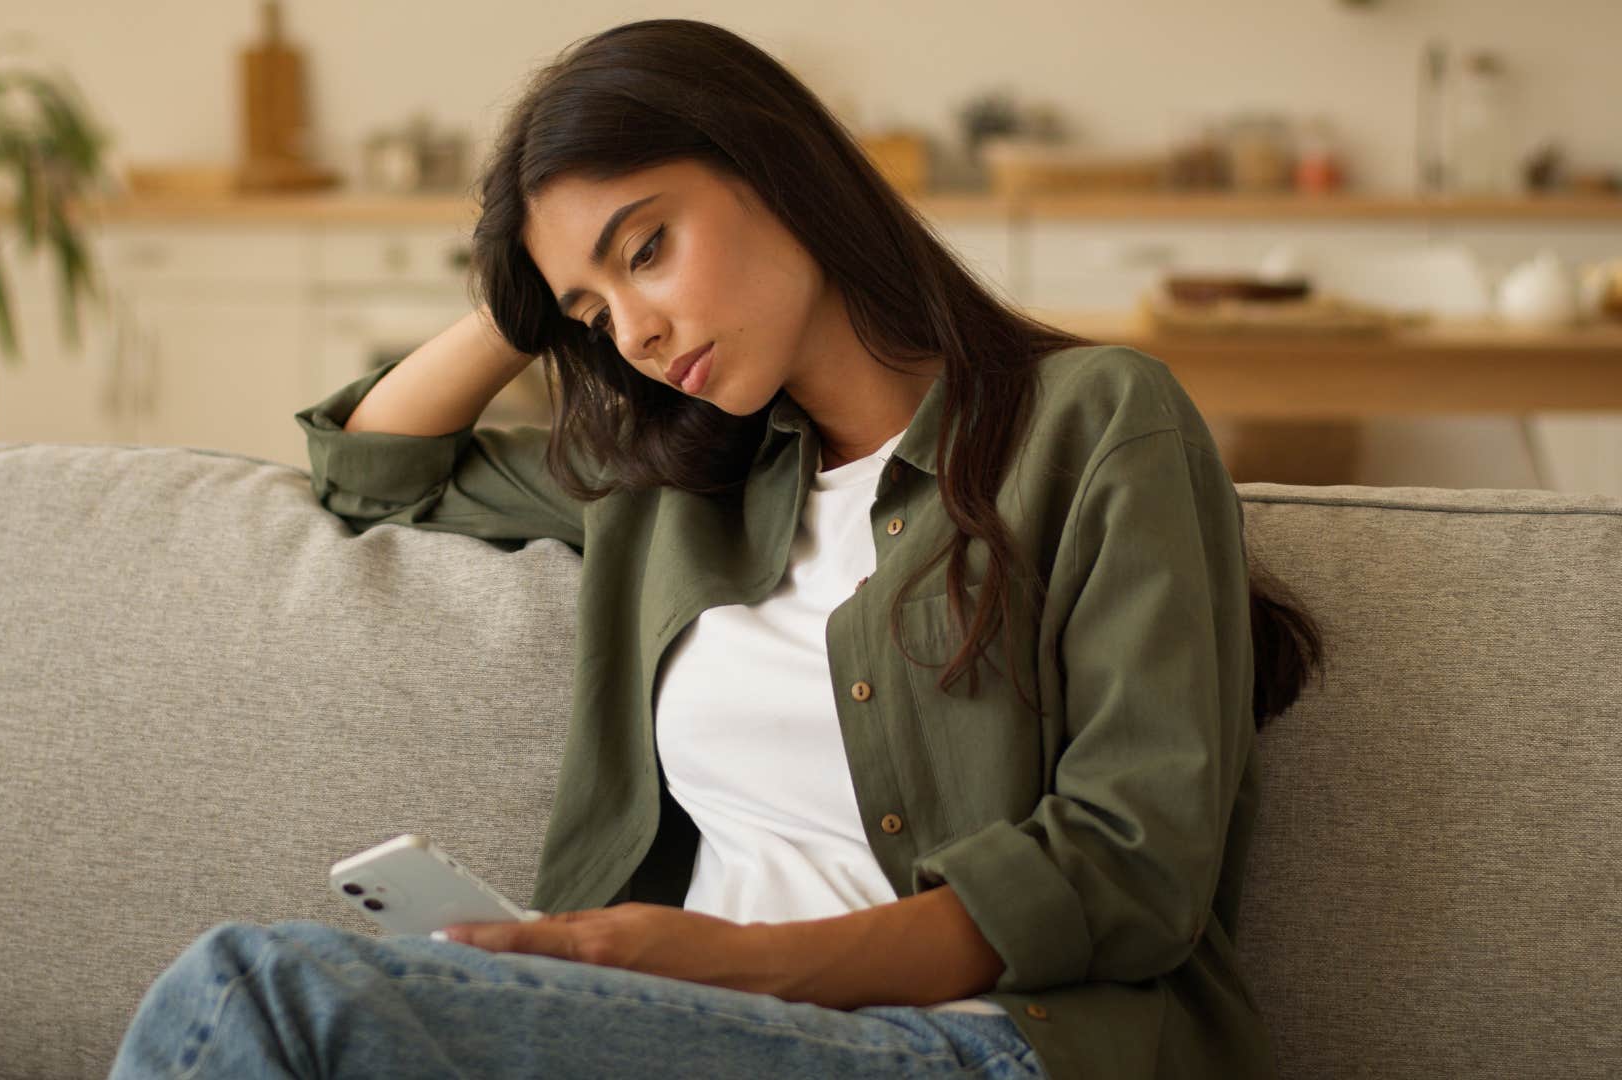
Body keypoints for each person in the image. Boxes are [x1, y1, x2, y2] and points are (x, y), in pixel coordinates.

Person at [109, 18, 1324, 1080]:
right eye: (593, 314)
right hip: (669, 1031)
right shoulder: (670, 489)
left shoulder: (1098, 423)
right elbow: (373, 469)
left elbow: (1133, 870)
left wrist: (744, 969)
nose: (633, 332)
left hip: (991, 1045)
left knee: (256, 995)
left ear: (779, 169)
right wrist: (525, 292)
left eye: (647, 249)